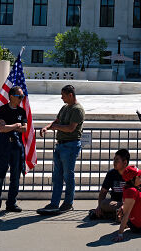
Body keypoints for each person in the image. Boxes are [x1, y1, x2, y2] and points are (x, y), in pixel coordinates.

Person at [38, 84, 85, 214]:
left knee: (68, 175)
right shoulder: (65, 107)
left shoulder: (77, 109)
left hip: (71, 145)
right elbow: (56, 121)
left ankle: (68, 202)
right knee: (57, 176)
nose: (61, 98)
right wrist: (47, 127)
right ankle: (54, 203)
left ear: (70, 95)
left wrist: (55, 127)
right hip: (61, 144)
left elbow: (71, 128)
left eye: (63, 95)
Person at [0, 85, 27, 215]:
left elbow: (25, 128)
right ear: (11, 96)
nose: (21, 98)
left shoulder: (21, 111)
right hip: (3, 147)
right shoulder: (2, 110)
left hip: (16, 147)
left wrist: (10, 127)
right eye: (19, 96)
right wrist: (15, 125)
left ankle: (11, 203)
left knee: (15, 177)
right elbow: (2, 128)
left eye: (22, 96)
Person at [89, 148, 130, 220]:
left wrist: (125, 205)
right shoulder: (111, 173)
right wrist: (99, 207)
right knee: (104, 204)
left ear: (125, 163)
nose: (114, 162)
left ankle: (109, 215)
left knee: (133, 206)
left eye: (117, 160)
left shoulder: (132, 173)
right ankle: (120, 214)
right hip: (116, 203)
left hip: (129, 203)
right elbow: (103, 192)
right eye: (114, 160)